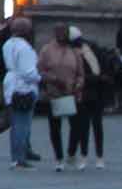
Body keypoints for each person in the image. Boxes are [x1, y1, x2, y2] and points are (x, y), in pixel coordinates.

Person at [0, 16, 41, 169]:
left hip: (10, 83)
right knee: (21, 123)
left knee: (14, 121)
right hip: (23, 86)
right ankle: (19, 157)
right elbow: (28, 72)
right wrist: (39, 77)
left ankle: (17, 154)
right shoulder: (24, 48)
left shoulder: (7, 44)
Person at [35, 23, 82, 171]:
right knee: (55, 127)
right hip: (54, 93)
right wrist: (53, 79)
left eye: (65, 32)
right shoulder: (47, 50)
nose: (62, 34)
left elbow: (80, 73)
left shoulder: (74, 51)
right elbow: (39, 70)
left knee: (77, 127)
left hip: (72, 94)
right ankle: (59, 158)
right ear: (55, 33)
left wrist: (78, 84)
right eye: (59, 31)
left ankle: (71, 153)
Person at [70, 28, 107, 169]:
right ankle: (89, 156)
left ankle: (95, 156)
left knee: (93, 125)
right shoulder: (90, 49)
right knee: (87, 125)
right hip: (89, 91)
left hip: (91, 91)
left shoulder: (83, 51)